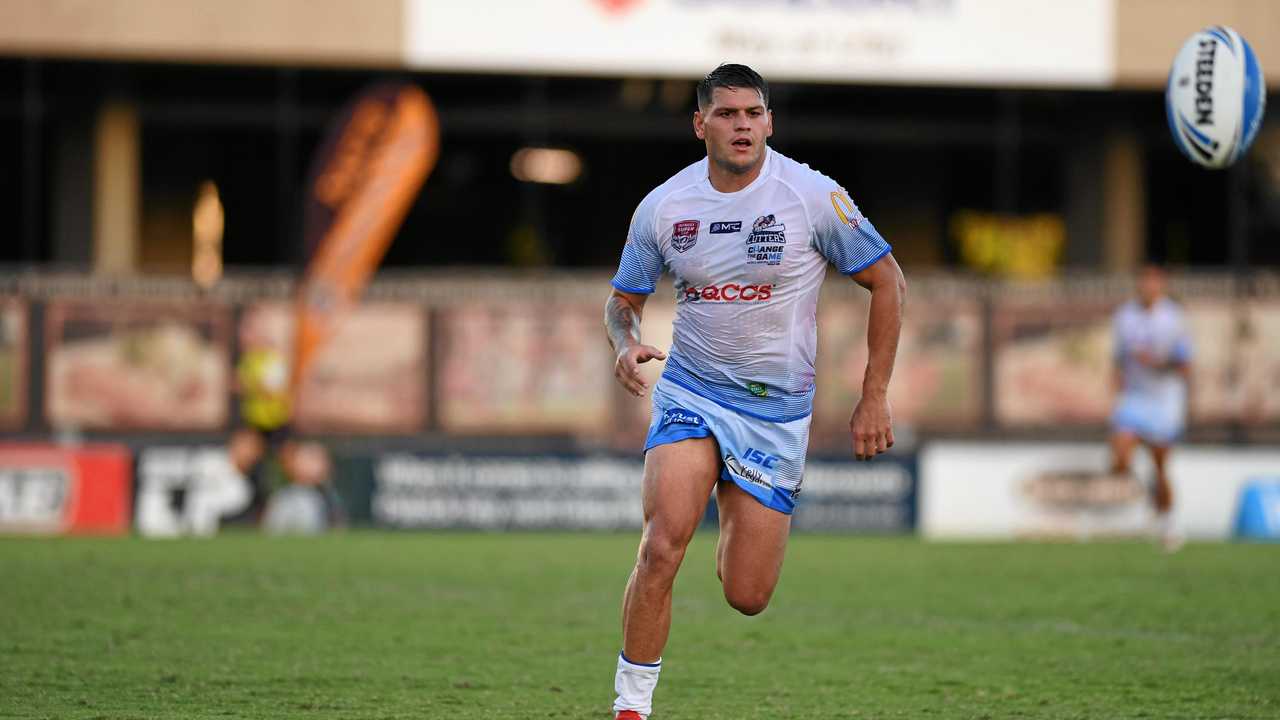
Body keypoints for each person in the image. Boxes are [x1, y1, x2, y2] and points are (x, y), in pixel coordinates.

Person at [603, 64, 905, 720]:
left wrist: (873, 393)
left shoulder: (810, 196)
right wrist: (625, 342)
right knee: (660, 546)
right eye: (728, 114)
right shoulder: (665, 207)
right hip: (691, 393)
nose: (743, 125)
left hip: (774, 417)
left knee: (748, 594)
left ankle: (735, 502)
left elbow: (889, 281)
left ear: (769, 121)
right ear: (700, 124)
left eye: (754, 113)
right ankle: (631, 708)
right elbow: (621, 301)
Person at [1109, 264, 1192, 552]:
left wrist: (1156, 363)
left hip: (1165, 399)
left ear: (1162, 285)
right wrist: (1115, 386)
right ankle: (1147, 492)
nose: (1147, 287)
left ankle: (1168, 519)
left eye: (1153, 282)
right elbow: (1118, 358)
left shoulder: (1174, 318)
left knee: (1160, 466)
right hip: (1134, 397)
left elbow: (1184, 365)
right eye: (1143, 282)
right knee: (1119, 458)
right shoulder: (1124, 316)